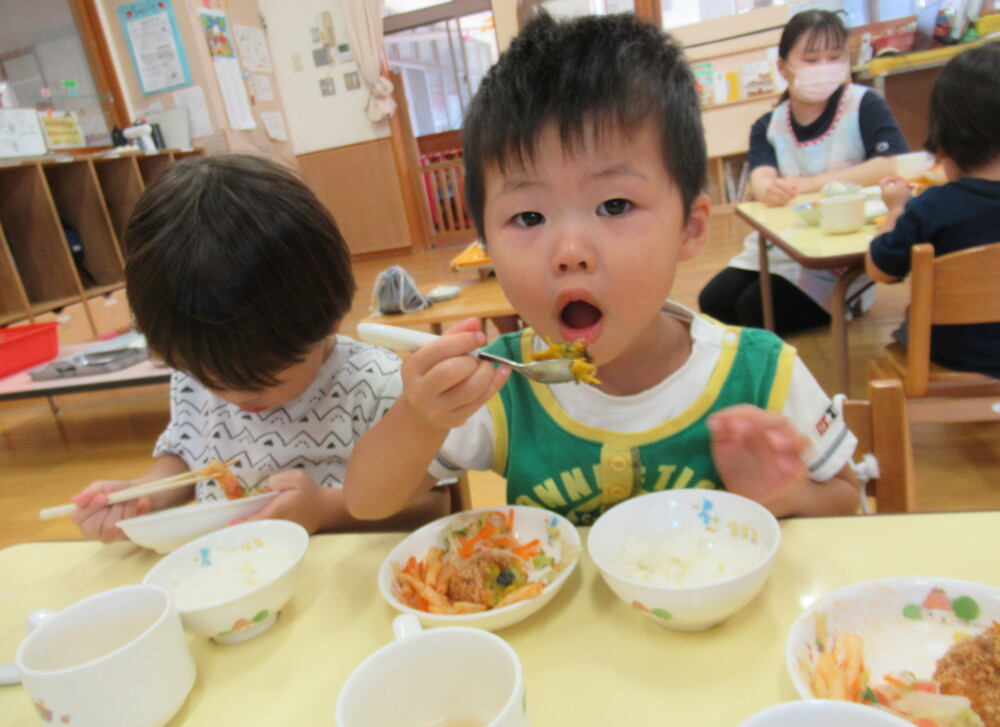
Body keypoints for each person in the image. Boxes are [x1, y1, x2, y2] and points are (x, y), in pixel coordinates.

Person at [344, 13, 859, 525]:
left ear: (690, 228)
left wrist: (787, 496)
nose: (570, 251)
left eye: (614, 206)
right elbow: (368, 502)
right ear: (486, 248)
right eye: (528, 217)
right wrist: (418, 416)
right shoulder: (500, 386)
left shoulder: (761, 374)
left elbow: (845, 496)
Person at [71, 154, 444, 541]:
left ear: (327, 318)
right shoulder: (197, 369)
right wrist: (141, 498)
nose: (234, 397)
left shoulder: (379, 385)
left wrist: (325, 510)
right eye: (209, 379)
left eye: (261, 378)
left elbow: (438, 503)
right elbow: (188, 457)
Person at [698, 9, 909, 335]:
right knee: (714, 302)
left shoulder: (864, 104)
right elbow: (761, 174)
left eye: (834, 56)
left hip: (840, 254)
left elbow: (891, 163)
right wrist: (768, 188)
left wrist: (810, 184)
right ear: (783, 67)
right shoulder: (769, 124)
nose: (824, 68)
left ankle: (849, 300)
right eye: (811, 60)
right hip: (785, 246)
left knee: (753, 309)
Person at [866, 42, 1000, 379]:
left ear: (945, 141)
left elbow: (880, 270)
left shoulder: (931, 208)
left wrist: (896, 210)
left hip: (955, 359)